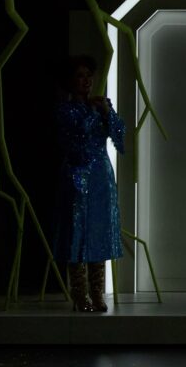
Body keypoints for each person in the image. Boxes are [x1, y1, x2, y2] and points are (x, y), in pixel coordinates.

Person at [52, 54, 125, 312]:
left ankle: (98, 293)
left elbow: (120, 138)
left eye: (89, 75)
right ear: (70, 81)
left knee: (99, 232)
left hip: (101, 178)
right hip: (77, 176)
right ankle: (79, 295)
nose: (86, 80)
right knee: (77, 233)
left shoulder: (101, 104)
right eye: (80, 76)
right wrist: (94, 113)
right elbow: (76, 140)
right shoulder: (64, 110)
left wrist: (107, 113)